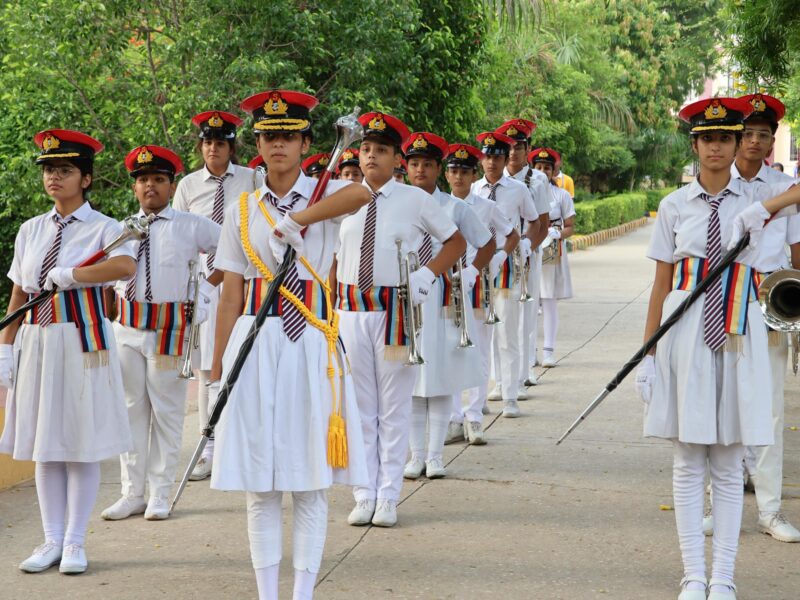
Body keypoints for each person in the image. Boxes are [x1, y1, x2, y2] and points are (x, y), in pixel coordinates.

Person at [635, 96, 800, 600]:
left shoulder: (751, 206)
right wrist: (649, 356)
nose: (717, 147)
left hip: (738, 329)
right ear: (695, 144)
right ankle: (692, 573)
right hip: (684, 329)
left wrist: (768, 207)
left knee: (728, 460)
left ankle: (723, 575)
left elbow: (776, 209)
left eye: (726, 138)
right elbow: (660, 283)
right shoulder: (672, 205)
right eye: (708, 138)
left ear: (735, 146)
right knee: (688, 459)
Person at [209, 89, 371, 600]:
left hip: (310, 348)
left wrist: (300, 219)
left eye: (288, 136)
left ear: (305, 144)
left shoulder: (325, 196)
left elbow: (362, 194)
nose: (277, 144)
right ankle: (267, 594)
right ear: (256, 144)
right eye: (268, 136)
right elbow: (231, 292)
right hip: (255, 343)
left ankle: (302, 593)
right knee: (261, 484)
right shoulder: (242, 209)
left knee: (308, 482)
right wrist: (215, 374)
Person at [0, 129, 137, 574]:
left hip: (82, 342)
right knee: (47, 445)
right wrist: (6, 347)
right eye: (48, 170)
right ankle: (51, 539)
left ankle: (76, 542)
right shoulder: (30, 229)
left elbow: (125, 265)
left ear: (86, 179)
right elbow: (19, 292)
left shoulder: (106, 228)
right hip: (38, 342)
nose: (54, 178)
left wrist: (77, 275)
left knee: (80, 444)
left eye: (64, 170)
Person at [336, 112, 465, 527]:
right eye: (367, 149)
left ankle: (388, 495)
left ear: (397, 159)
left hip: (395, 311)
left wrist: (428, 273)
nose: (372, 156)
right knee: (359, 407)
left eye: (382, 151)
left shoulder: (415, 200)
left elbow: (456, 241)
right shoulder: (342, 196)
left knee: (393, 408)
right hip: (350, 308)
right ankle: (363, 492)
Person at [100, 145, 221, 522]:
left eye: (158, 179)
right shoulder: (120, 228)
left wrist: (206, 289)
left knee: (166, 413)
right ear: (134, 188)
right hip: (128, 326)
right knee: (130, 411)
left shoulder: (191, 224)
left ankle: (160, 493)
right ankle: (132, 492)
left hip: (170, 327)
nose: (150, 186)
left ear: (171, 185)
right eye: (143, 180)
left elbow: (233, 251)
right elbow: (107, 273)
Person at [703, 93, 800, 543]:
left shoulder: (782, 186)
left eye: (765, 134)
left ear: (772, 140)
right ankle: (715, 505)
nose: (756, 141)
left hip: (771, 302)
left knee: (770, 410)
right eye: (750, 133)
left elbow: (796, 253)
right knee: (721, 403)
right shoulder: (717, 186)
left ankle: (770, 510)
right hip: (726, 299)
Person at [172, 110, 261, 481]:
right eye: (207, 142)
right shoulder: (188, 185)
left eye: (220, 142)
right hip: (203, 283)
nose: (213, 148)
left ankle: (238, 440)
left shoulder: (251, 178)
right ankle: (208, 447)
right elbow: (176, 235)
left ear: (231, 147)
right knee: (207, 366)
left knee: (241, 358)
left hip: (244, 275)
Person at [401, 132, 493, 479]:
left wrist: (470, 272)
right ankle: (416, 455)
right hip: (407, 298)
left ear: (438, 168)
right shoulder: (399, 202)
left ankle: (436, 455)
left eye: (427, 164)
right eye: (414, 163)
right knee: (411, 378)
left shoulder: (456, 207)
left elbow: (486, 243)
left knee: (440, 377)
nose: (420, 169)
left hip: (444, 298)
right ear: (406, 167)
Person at [444, 143, 519, 444]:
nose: (459, 176)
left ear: (473, 175)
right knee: (448, 351)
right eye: (453, 171)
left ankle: (474, 416)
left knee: (478, 352)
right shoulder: (438, 205)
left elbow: (512, 235)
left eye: (464, 171)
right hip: (447, 285)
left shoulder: (486, 207)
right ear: (446, 175)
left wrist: (499, 257)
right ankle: (452, 417)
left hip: (475, 284)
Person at [473, 131, 538, 417]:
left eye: (497, 157)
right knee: (479, 334)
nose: (492, 162)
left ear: (504, 159)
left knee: (507, 329)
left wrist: (526, 243)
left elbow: (535, 221)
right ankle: (483, 394)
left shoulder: (518, 189)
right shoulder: (473, 189)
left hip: (505, 263)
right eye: (487, 157)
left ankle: (510, 395)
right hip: (477, 265)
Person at [498, 118, 551, 389]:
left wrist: (527, 248)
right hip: (498, 255)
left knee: (525, 313)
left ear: (527, 149)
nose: (513, 153)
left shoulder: (538, 180)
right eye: (508, 147)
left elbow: (543, 223)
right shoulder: (496, 176)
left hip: (527, 254)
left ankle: (525, 369)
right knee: (500, 317)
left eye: (519, 147)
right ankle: (503, 378)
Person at [531, 147, 575, 367]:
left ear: (553, 170)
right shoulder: (524, 191)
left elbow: (570, 226)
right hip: (529, 249)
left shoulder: (561, 195)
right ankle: (530, 351)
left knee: (548, 301)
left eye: (546, 168)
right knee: (529, 302)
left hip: (550, 251)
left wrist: (557, 233)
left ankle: (548, 350)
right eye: (538, 167)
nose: (542, 171)